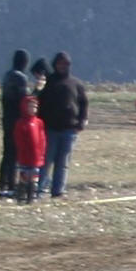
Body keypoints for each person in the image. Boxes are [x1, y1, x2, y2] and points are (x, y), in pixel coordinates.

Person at [36, 53, 89, 198]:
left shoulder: (76, 83)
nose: (62, 66)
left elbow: (84, 103)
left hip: (69, 129)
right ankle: (39, 190)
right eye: (60, 63)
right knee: (46, 161)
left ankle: (58, 191)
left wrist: (82, 121)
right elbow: (38, 103)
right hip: (50, 129)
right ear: (55, 64)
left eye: (65, 64)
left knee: (63, 162)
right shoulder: (49, 83)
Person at [0, 50, 33, 198]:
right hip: (17, 121)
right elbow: (26, 100)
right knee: (15, 155)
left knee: (7, 155)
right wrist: (37, 90)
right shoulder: (21, 78)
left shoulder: (7, 76)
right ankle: (12, 186)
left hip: (6, 119)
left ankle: (2, 185)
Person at [12, 96, 46, 204]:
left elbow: (42, 138)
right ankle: (21, 196)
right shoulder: (21, 123)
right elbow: (18, 140)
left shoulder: (39, 122)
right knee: (24, 176)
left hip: (36, 156)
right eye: (30, 107)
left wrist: (42, 152)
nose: (33, 109)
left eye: (35, 107)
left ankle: (32, 197)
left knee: (34, 177)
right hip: (25, 156)